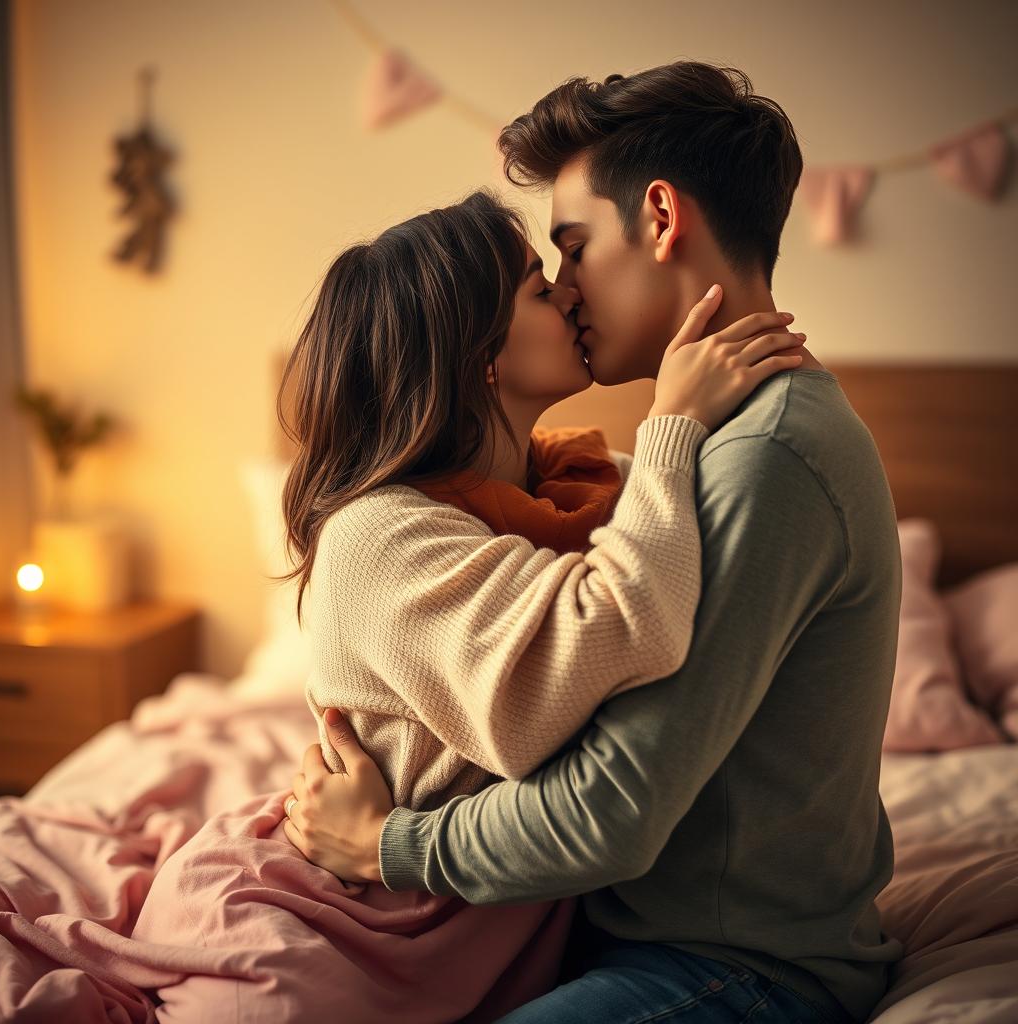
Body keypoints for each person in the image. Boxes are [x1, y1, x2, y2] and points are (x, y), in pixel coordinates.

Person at [284, 60, 904, 1024]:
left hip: (728, 965)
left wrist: (388, 845)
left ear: (660, 220)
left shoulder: (762, 458)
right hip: (600, 940)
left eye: (570, 251)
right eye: (548, 275)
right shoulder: (669, 455)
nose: (566, 291)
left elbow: (607, 808)